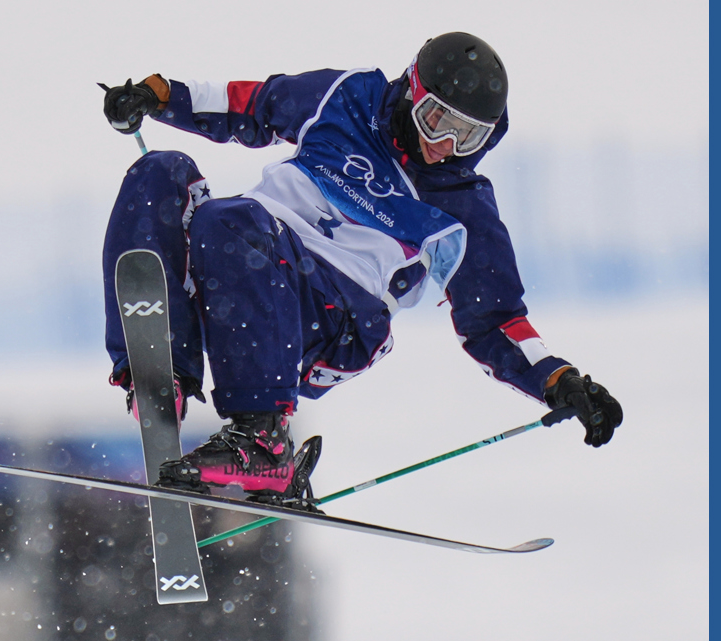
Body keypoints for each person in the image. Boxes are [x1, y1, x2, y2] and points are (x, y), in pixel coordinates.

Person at [99, 32, 623, 506]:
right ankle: (158, 369)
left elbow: (497, 320)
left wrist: (558, 379)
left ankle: (263, 441)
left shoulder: (463, 208)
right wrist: (161, 95)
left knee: (230, 220)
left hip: (335, 317)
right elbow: (252, 105)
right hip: (246, 266)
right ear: (413, 92)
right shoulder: (347, 99)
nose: (445, 147)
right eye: (439, 121)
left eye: (468, 137)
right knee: (158, 173)